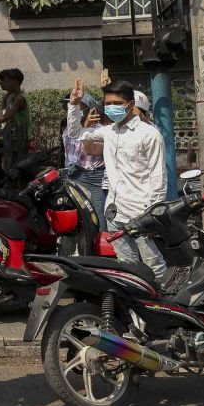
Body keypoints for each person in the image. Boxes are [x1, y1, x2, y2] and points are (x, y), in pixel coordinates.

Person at [67, 79, 167, 278]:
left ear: (130, 105)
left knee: (152, 262)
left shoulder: (149, 135)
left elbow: (158, 177)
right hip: (114, 212)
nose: (111, 108)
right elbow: (75, 133)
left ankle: (165, 302)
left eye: (116, 104)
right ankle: (137, 303)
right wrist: (74, 105)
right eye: (108, 104)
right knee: (127, 265)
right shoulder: (109, 132)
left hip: (141, 211)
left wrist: (152, 213)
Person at [62, 93, 106, 228]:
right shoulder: (68, 129)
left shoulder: (100, 130)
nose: (71, 108)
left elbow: (89, 149)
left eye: (77, 105)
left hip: (93, 177)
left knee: (98, 217)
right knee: (76, 216)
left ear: (90, 109)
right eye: (69, 105)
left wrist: (87, 127)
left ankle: (101, 246)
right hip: (72, 175)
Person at [0, 68, 31, 177]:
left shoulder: (20, 99)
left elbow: (5, 117)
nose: (0, 83)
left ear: (15, 81)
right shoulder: (7, 97)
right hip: (10, 137)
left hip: (22, 139)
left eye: (4, 80)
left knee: (17, 169)